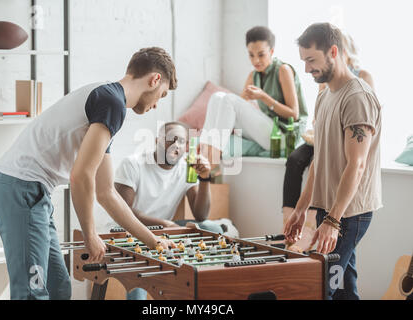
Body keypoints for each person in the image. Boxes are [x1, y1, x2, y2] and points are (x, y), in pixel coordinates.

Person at [0, 47, 177, 300]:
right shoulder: (111, 102)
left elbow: (106, 192)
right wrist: (90, 234)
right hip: (21, 187)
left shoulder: (108, 103)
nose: (156, 105)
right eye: (162, 95)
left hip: (33, 191)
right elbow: (81, 176)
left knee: (58, 287)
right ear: (154, 79)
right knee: (32, 293)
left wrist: (153, 241)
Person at [284, 23, 382, 300]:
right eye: (303, 61)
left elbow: (357, 165)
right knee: (342, 287)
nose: (306, 69)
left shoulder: (358, 97)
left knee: (321, 285)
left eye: (311, 60)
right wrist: (302, 208)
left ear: (334, 52)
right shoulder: (325, 95)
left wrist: (333, 221)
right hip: (328, 210)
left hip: (349, 213)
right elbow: (320, 160)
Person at [114, 121, 223, 300]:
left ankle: (203, 288)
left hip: (165, 232)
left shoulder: (185, 169)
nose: (175, 145)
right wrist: (165, 224)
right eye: (170, 140)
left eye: (181, 141)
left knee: (212, 228)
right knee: (141, 273)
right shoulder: (133, 164)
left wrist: (204, 179)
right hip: (129, 231)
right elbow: (123, 211)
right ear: (157, 141)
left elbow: (201, 215)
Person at [199, 26, 308, 165]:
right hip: (267, 132)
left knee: (228, 99)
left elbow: (294, 114)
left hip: (283, 136)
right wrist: (243, 98)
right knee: (217, 97)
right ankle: (203, 151)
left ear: (272, 51)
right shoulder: (253, 75)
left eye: (261, 54)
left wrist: (263, 96)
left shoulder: (283, 70)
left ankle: (212, 160)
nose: (256, 60)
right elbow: (233, 109)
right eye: (251, 55)